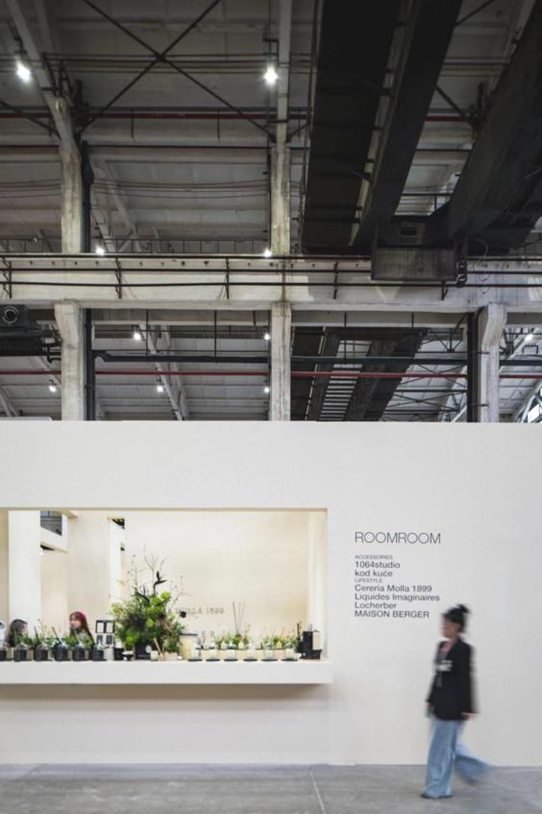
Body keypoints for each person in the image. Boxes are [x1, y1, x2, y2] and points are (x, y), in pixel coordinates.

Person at [422, 604, 489, 799]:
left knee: (442, 750)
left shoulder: (464, 650)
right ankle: (475, 768)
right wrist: (430, 699)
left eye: (447, 624)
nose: (443, 627)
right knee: (445, 747)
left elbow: (466, 679)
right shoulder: (441, 647)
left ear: (456, 626)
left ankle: (438, 788)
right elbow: (437, 676)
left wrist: (468, 707)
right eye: (443, 624)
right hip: (439, 704)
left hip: (453, 707)